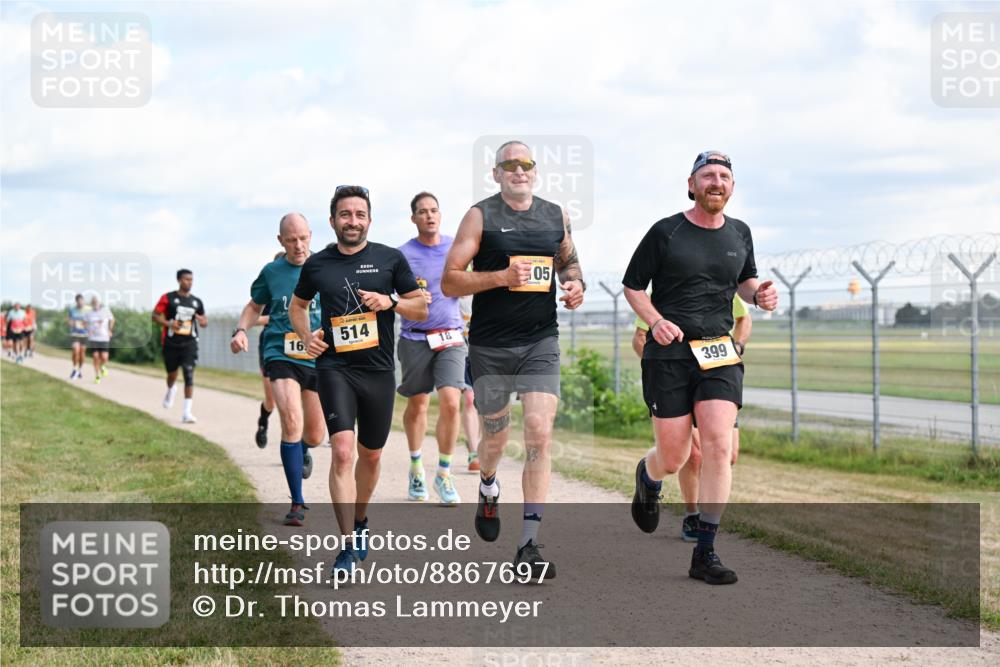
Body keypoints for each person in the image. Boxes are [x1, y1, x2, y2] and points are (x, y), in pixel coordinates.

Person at [623, 150, 777, 585]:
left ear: (732, 187)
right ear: (691, 185)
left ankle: (705, 551)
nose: (716, 181)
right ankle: (649, 476)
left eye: (724, 176)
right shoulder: (666, 232)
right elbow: (633, 286)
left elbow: (744, 281)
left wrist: (757, 293)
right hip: (669, 354)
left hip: (719, 353)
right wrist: (656, 321)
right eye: (707, 175)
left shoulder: (740, 233)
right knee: (674, 457)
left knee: (717, 445)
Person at [442, 140, 585, 578]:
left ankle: (529, 545)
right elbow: (450, 281)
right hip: (490, 346)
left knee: (539, 432)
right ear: (497, 173)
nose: (519, 171)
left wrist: (575, 285)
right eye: (510, 165)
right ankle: (488, 485)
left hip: (540, 341)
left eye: (526, 164)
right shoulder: (480, 216)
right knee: (496, 438)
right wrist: (501, 277)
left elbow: (570, 261)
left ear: (535, 172)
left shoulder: (554, 215)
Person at [290, 185, 426, 575]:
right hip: (335, 368)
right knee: (344, 452)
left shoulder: (390, 259)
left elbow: (419, 308)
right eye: (345, 214)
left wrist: (392, 302)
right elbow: (298, 306)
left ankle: (361, 519)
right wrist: (305, 335)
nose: (353, 221)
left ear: (369, 219)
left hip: (378, 371)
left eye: (359, 214)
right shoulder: (317, 264)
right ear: (332, 221)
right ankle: (347, 546)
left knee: (371, 455)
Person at [631, 294, 751, 541]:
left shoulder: (722, 279)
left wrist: (738, 346)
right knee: (693, 454)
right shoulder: (666, 288)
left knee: (727, 454)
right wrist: (662, 366)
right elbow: (639, 338)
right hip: (677, 375)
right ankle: (692, 515)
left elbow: (744, 318)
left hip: (716, 370)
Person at [232, 214, 326, 526]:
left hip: (317, 357)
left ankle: (302, 450)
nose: (298, 246)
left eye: (302, 238)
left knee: (314, 433)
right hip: (280, 353)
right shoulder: (272, 272)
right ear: (280, 241)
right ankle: (297, 502)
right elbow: (253, 307)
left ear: (310, 235)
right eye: (291, 240)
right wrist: (241, 330)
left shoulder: (326, 266)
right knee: (291, 420)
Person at [397, 191, 468, 505]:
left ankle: (443, 472)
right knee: (419, 405)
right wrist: (410, 301)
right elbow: (389, 300)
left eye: (434, 210)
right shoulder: (401, 255)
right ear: (413, 218)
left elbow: (470, 281)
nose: (429, 215)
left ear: (440, 215)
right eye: (422, 211)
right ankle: (415, 467)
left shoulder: (456, 248)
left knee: (452, 402)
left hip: (451, 336)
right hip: (415, 338)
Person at [153, 269, 207, 423]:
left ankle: (186, 412)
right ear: (179, 280)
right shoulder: (168, 298)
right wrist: (168, 323)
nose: (189, 282)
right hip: (171, 342)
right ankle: (171, 389)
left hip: (190, 342)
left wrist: (203, 322)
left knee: (188, 373)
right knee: (172, 374)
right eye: (186, 279)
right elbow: (155, 315)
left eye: (191, 279)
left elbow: (204, 321)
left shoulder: (197, 302)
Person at [459, 291, 480, 472]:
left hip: (483, 353)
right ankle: (474, 452)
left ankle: (480, 445)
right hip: (462, 354)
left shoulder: (483, 293)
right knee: (469, 400)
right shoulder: (450, 293)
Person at [84, 296, 114, 383]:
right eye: (93, 302)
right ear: (91, 304)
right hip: (94, 337)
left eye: (96, 302)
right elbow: (84, 323)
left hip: (104, 337)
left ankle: (102, 366)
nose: (95, 304)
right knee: (95, 356)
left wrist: (110, 330)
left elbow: (112, 320)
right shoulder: (89, 313)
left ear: (99, 303)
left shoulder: (105, 311)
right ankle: (97, 376)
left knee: (104, 357)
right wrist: (88, 330)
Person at [68, 294, 91, 379]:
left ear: (83, 301)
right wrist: (72, 323)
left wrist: (87, 325)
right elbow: (69, 320)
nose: (80, 303)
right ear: (76, 302)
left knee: (82, 353)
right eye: (79, 301)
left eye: (82, 301)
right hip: (75, 333)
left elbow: (91, 320)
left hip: (85, 334)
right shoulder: (72, 309)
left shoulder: (89, 309)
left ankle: (80, 370)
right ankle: (74, 369)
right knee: (75, 350)